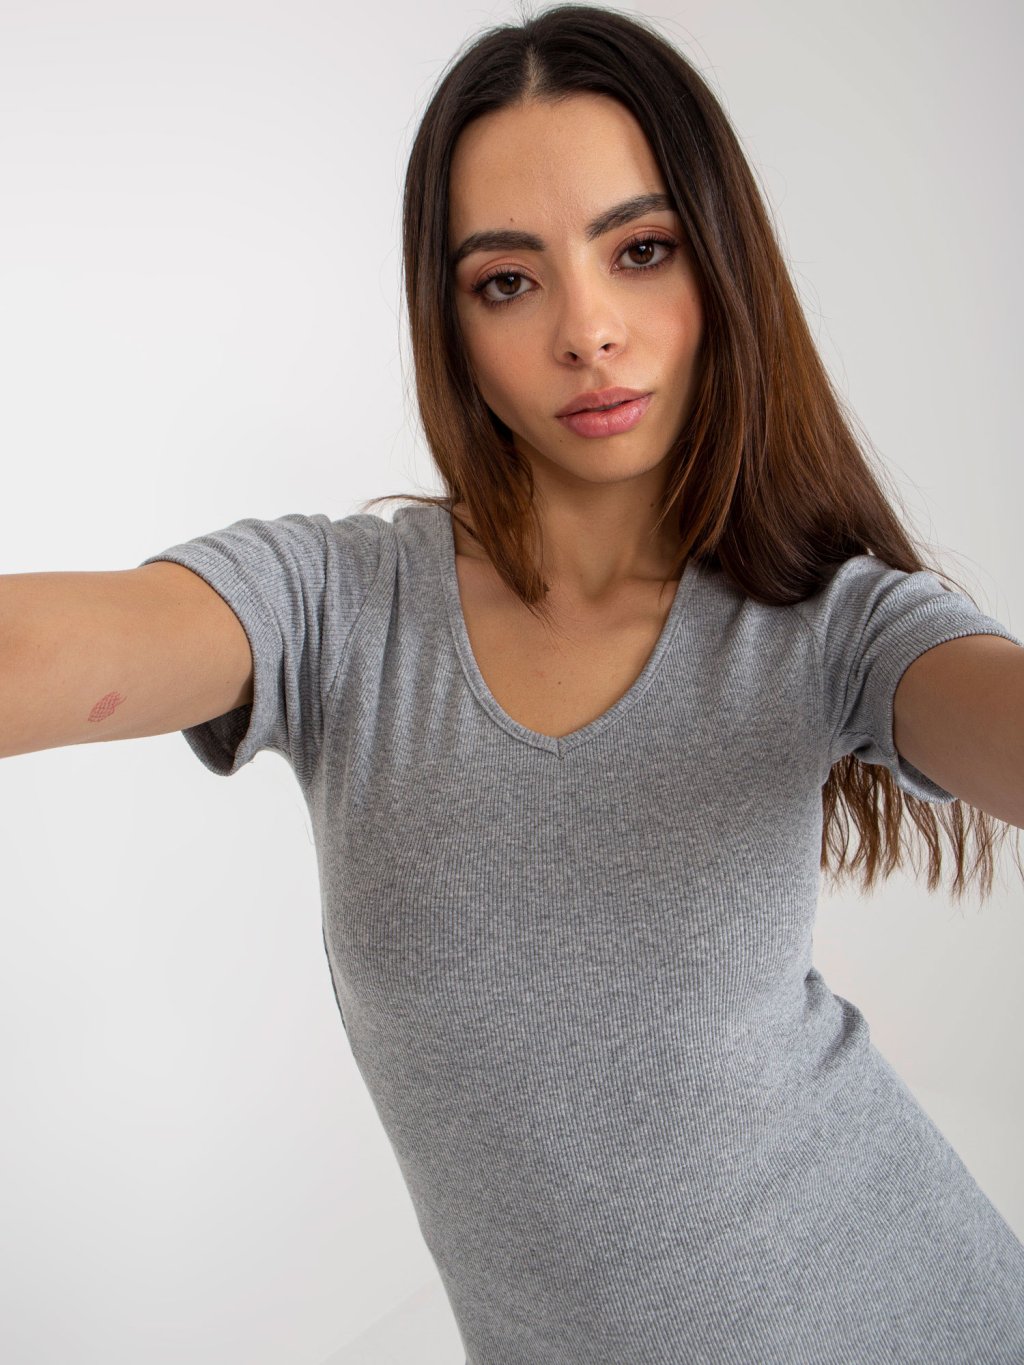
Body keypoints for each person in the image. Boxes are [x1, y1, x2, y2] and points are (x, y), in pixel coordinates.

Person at [3, 5, 1023, 1361]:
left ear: (721, 265)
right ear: (454, 321)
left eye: (640, 250)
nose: (587, 331)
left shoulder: (831, 628)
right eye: (507, 281)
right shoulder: (338, 607)